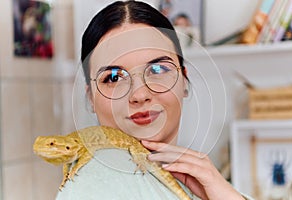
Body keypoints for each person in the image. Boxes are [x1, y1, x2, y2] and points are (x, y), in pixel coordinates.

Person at [57, 1, 252, 199]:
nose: (140, 95)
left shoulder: (208, 185)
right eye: (114, 77)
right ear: (90, 97)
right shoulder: (94, 184)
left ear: (184, 80)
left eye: (158, 70)